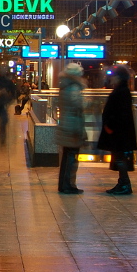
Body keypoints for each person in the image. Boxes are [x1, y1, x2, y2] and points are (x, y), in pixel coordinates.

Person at [98, 65, 137, 195]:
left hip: (119, 131)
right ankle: (123, 183)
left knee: (120, 158)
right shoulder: (122, 90)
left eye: (114, 76)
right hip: (120, 130)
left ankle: (125, 184)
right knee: (119, 157)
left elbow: (119, 112)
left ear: (119, 77)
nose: (111, 79)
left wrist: (110, 125)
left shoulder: (121, 91)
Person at [57, 63, 87, 194]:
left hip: (66, 124)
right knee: (71, 157)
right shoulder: (74, 88)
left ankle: (64, 184)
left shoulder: (64, 86)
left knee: (67, 156)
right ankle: (68, 185)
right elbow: (78, 106)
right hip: (73, 126)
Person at [0, 72, 17, 143]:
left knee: (3, 120)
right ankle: (2, 135)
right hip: (1, 105)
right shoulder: (8, 83)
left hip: (0, 105)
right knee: (4, 120)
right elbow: (13, 94)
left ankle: (1, 135)